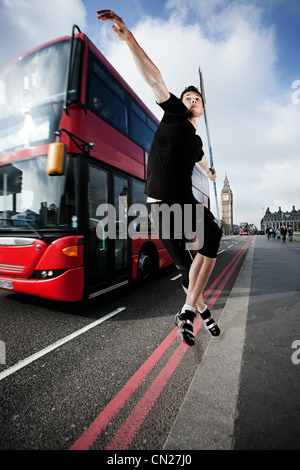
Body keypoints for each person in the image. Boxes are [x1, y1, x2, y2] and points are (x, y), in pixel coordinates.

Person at [97, 10, 222, 346]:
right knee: (192, 258)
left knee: (203, 245)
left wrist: (209, 171)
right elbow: (154, 79)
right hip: (161, 203)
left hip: (180, 203)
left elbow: (200, 156)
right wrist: (130, 40)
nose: (192, 101)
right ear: (181, 104)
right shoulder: (176, 114)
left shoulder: (195, 140)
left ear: (203, 110)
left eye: (197, 99)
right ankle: (198, 310)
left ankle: (189, 311)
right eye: (188, 97)